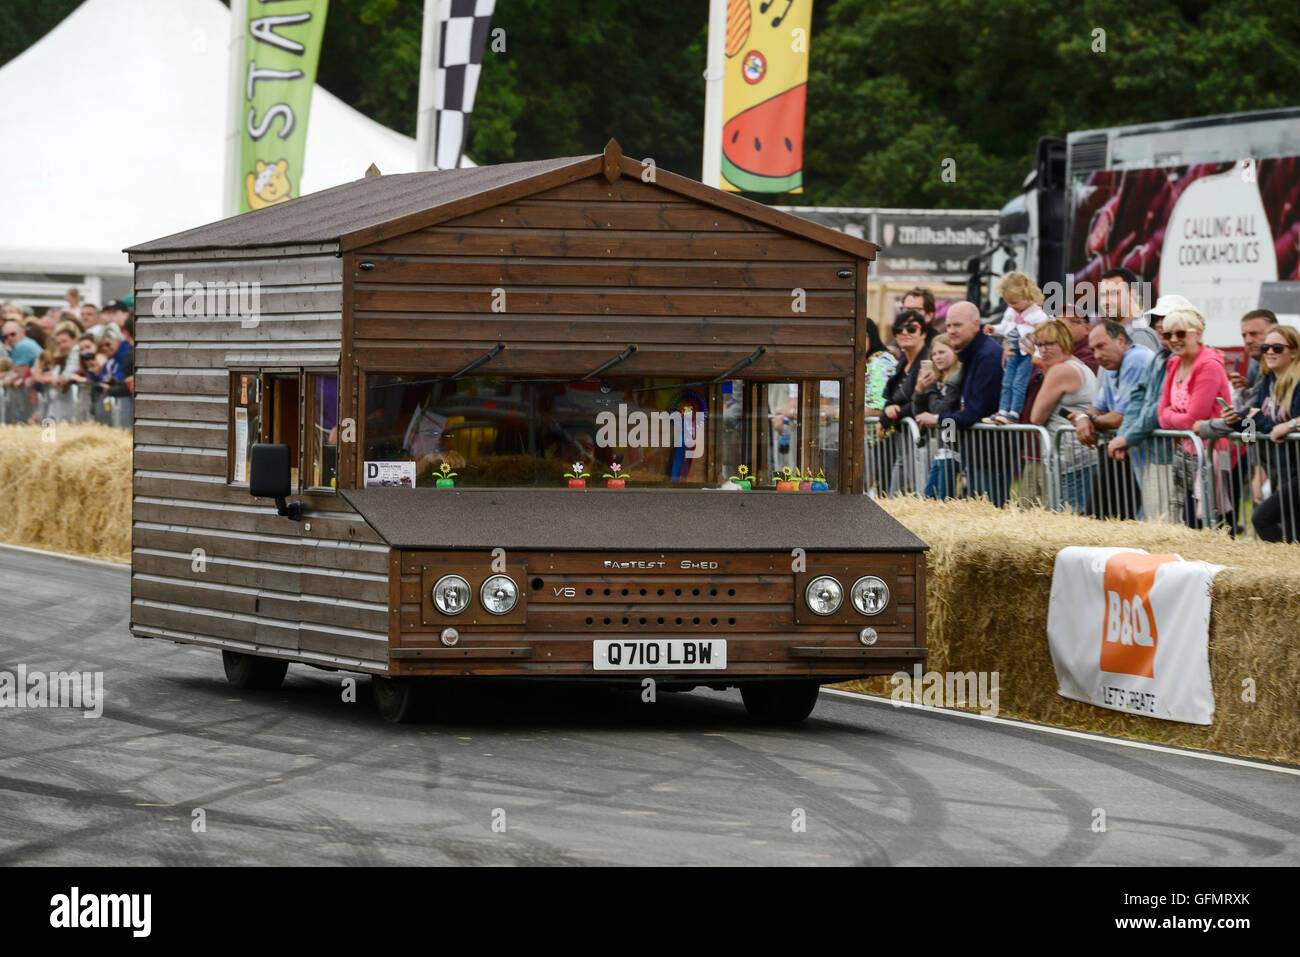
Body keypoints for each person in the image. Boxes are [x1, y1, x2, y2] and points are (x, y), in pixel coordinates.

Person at [916, 302, 1005, 504]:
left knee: (987, 512)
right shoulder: (974, 354)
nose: (952, 331)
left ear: (975, 324)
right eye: (948, 326)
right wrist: (921, 390)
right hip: (971, 450)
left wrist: (937, 418)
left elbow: (975, 411)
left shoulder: (987, 355)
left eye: (957, 325)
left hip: (989, 452)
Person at [1157, 307, 1236, 529]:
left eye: (1180, 333)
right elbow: (1160, 416)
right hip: (1186, 452)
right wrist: (1174, 417)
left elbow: (1195, 417)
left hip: (1212, 454)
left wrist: (1171, 415)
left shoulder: (1209, 365)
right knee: (1190, 521)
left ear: (1197, 334)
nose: (1174, 339)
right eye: (1167, 334)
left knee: (1213, 521)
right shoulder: (1173, 363)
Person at [1073, 321, 1153, 518]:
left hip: (1151, 454)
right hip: (1126, 452)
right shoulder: (1111, 364)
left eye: (1101, 346)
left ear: (1121, 340)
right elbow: (1098, 408)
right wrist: (1085, 417)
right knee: (1104, 517)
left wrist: (1089, 419)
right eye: (1093, 349)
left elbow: (1119, 418)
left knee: (1145, 519)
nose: (1097, 355)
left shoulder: (1136, 358)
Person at [1235, 325, 1300, 541]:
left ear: (1294, 351)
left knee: (1261, 519)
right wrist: (1238, 421)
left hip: (1296, 470)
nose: (1270, 352)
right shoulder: (1268, 381)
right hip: (1281, 469)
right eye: (1266, 347)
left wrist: (1288, 426)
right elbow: (1251, 436)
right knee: (1293, 535)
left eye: (1277, 347)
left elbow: (1264, 421)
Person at [1028, 318, 1098, 512]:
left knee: (1069, 518)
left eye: (1050, 343)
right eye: (1039, 345)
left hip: (1071, 461)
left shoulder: (1061, 370)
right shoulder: (1079, 366)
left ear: (1065, 342)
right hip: (1080, 457)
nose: (1043, 350)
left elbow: (1036, 417)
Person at [878, 309, 932, 492]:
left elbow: (925, 400)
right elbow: (891, 398)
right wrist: (885, 414)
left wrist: (896, 412)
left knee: (921, 493)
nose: (904, 333)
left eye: (911, 328)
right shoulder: (902, 363)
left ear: (923, 333)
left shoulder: (928, 362)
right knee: (893, 500)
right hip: (902, 443)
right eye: (899, 329)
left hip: (923, 441)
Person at [986, 272, 1047, 424]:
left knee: (1019, 383)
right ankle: (1003, 410)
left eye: (1015, 302)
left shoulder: (1038, 315)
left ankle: (1014, 412)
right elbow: (1005, 327)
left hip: (1026, 353)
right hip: (1014, 350)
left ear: (1028, 296)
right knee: (1007, 382)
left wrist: (1038, 354)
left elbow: (1042, 337)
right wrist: (993, 329)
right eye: (1008, 302)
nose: (1012, 306)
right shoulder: (1011, 311)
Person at [913, 334, 963, 498]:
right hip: (943, 449)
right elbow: (919, 413)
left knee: (943, 499)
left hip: (956, 450)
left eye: (942, 352)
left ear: (954, 352)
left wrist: (930, 388)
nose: (937, 357)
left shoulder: (957, 377)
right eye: (934, 354)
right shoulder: (940, 380)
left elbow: (939, 409)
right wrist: (920, 390)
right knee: (929, 497)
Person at [1098, 266, 1161, 353]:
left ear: (1132, 294)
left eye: (1113, 294)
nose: (1106, 301)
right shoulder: (1114, 335)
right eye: (1103, 295)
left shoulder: (1138, 335)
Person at [863, 317, 897, 416]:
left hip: (878, 429)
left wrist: (835, 412)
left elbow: (875, 408)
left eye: (862, 335)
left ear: (872, 337)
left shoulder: (881, 362)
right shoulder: (862, 361)